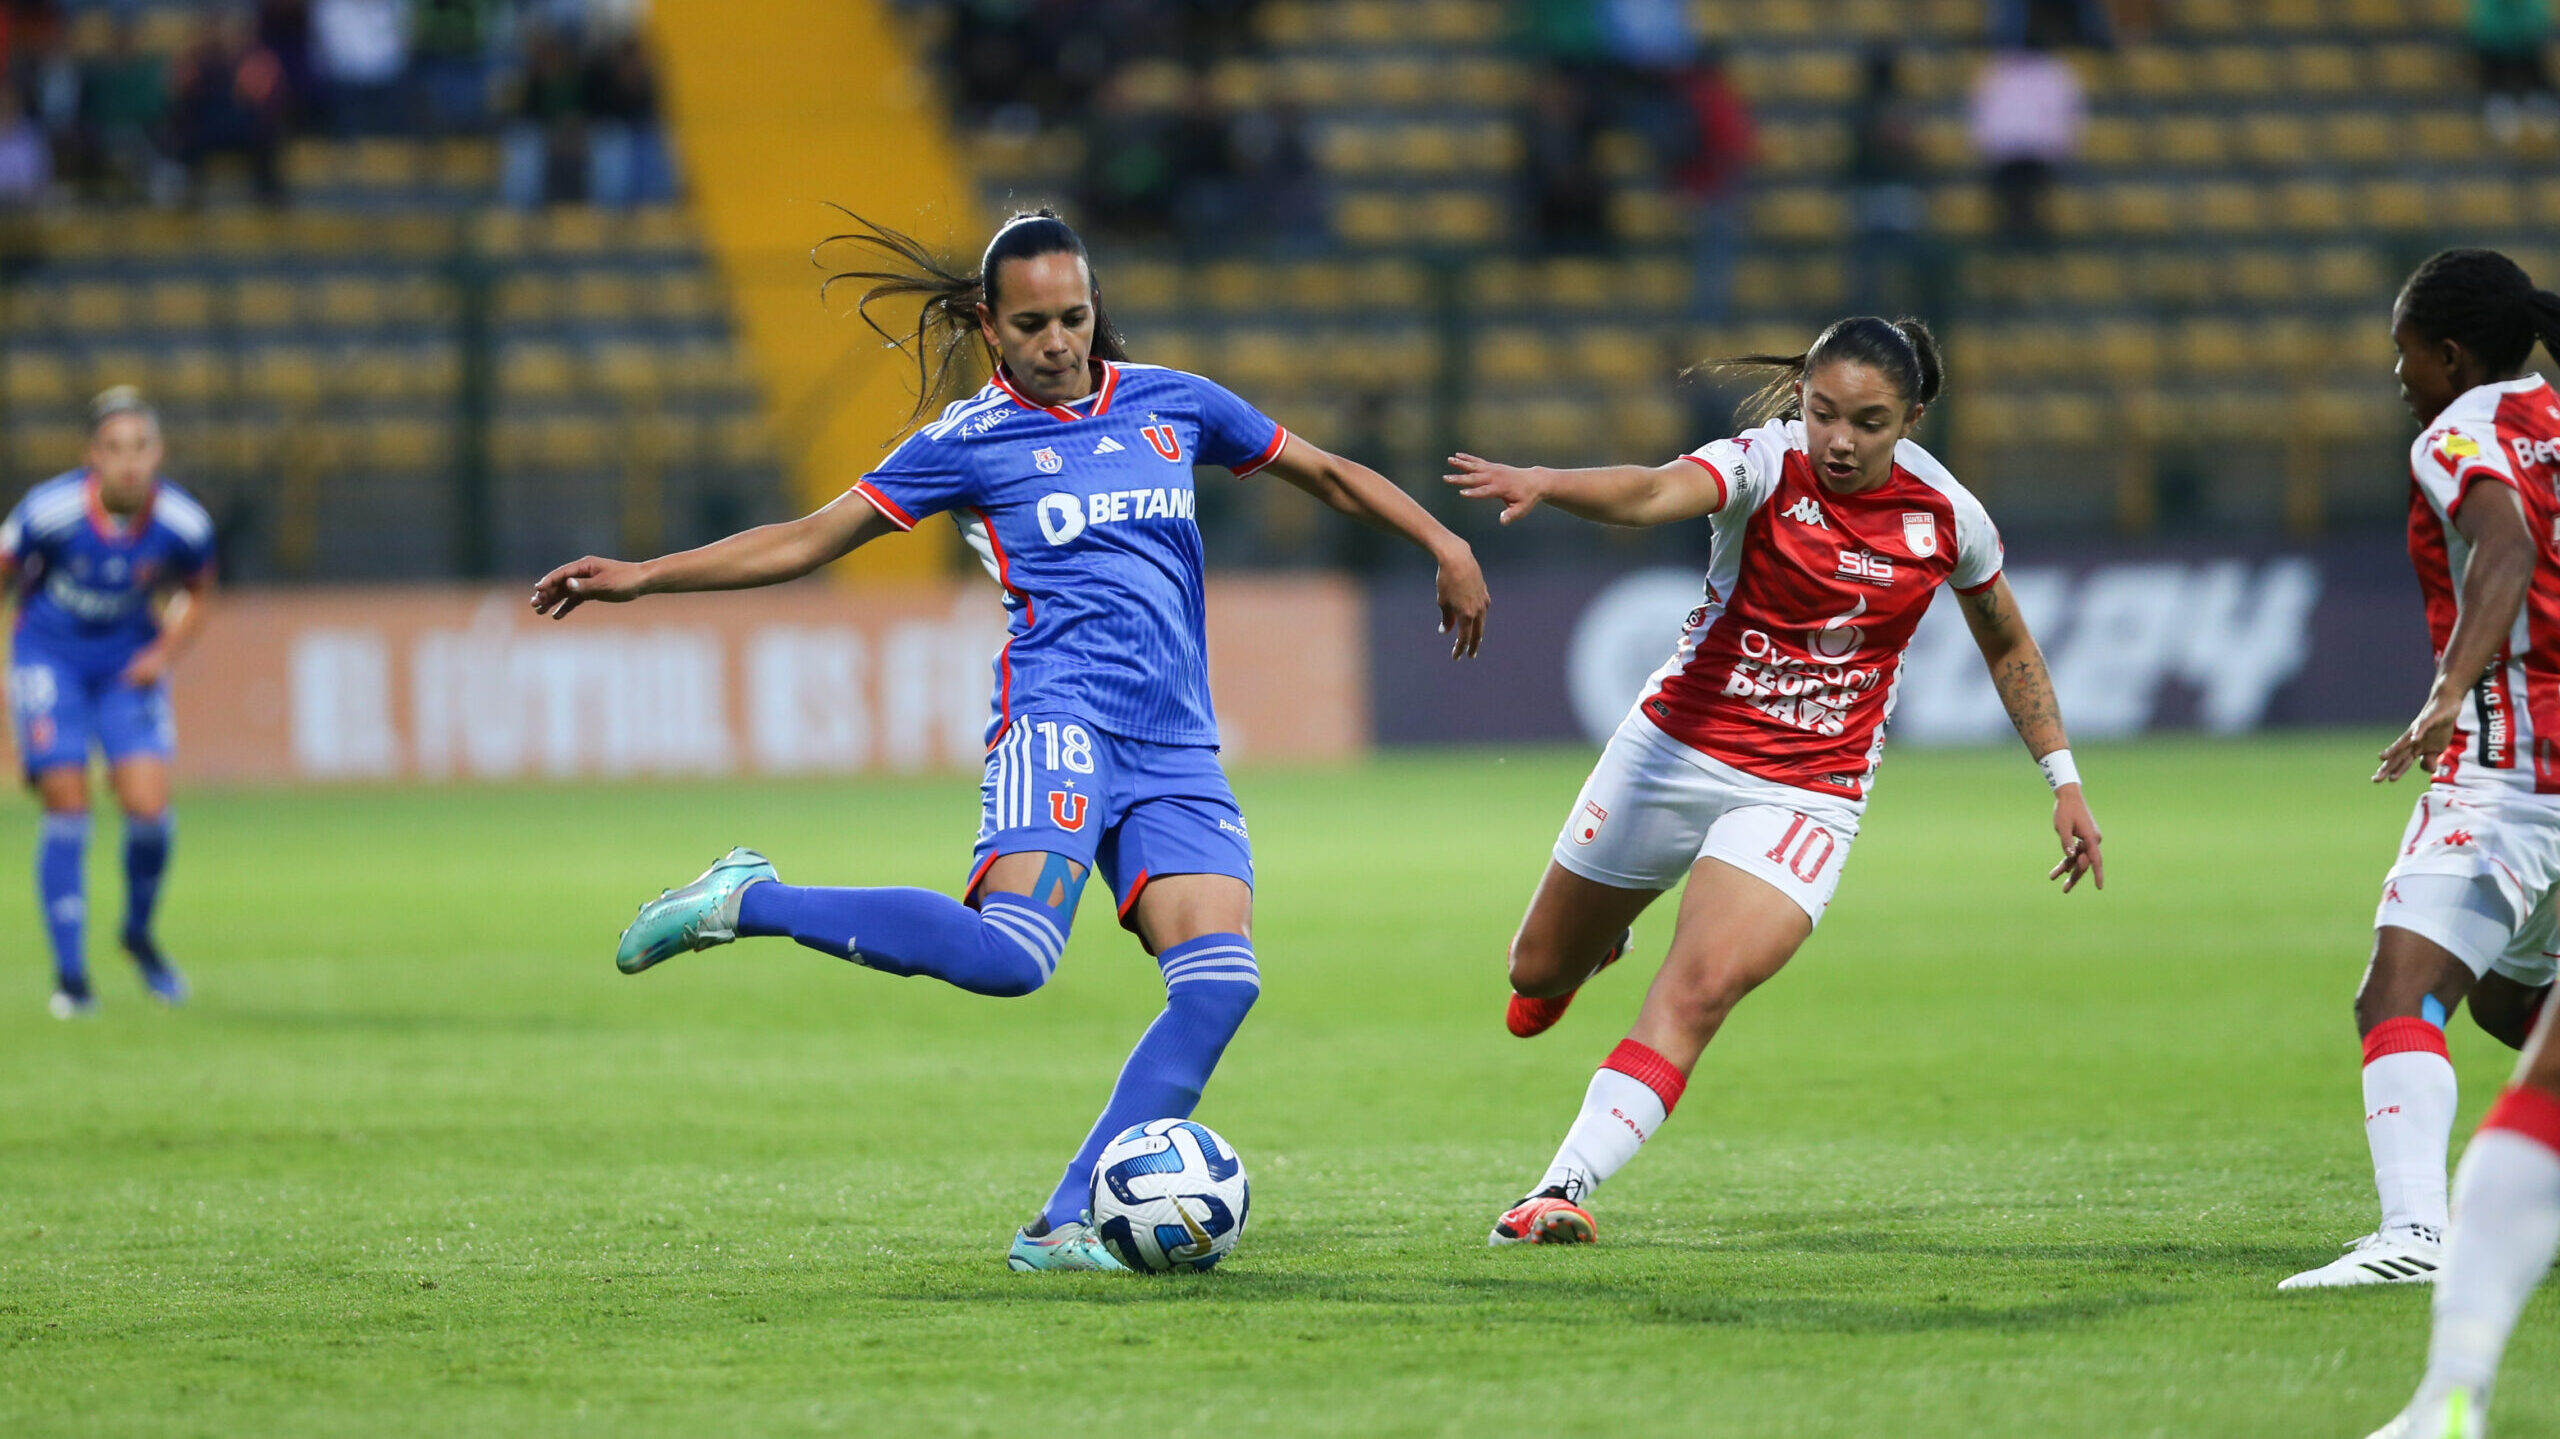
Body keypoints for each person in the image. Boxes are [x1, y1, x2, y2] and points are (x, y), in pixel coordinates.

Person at [528, 210, 1490, 1270]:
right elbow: (807, 539)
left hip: (1175, 744)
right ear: (991, 326)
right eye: (1032, 323)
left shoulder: (1177, 403)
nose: (1058, 341)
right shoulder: (967, 442)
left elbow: (1330, 473)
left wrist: (1442, 541)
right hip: (1059, 720)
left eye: (1074, 316)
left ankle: (1063, 1220)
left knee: (1220, 982)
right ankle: (744, 899)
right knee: (1012, 957)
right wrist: (643, 575)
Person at [1440, 315, 2102, 1246]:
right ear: (1800, 400)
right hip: (1672, 751)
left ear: (1911, 417)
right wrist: (1550, 482)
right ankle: (1597, 941)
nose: (1839, 439)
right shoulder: (1761, 463)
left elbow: (2005, 637)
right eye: (1823, 412)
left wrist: (2061, 778)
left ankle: (1561, 1187)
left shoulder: (1949, 517)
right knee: (1533, 976)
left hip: (1805, 793)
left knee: (1700, 987)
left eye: (1867, 422)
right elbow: (1654, 491)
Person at [2283, 251, 2560, 1305]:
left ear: (2446, 354)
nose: (2394, 370)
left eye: (2402, 348)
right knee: (2507, 993)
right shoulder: (2549, 413)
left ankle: (2413, 1230)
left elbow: (2505, 547)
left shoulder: (2460, 433)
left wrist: (2449, 688)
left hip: (2511, 766)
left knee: (2396, 990)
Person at [2, 387, 216, 1018]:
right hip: (51, 661)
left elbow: (200, 593)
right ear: (92, 455)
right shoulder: (47, 511)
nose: (129, 462)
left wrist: (163, 653)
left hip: (128, 668)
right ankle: (71, 977)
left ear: (158, 453)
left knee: (148, 808)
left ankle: (138, 933)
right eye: (115, 448)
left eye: (141, 447)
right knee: (67, 803)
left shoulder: (183, 523)